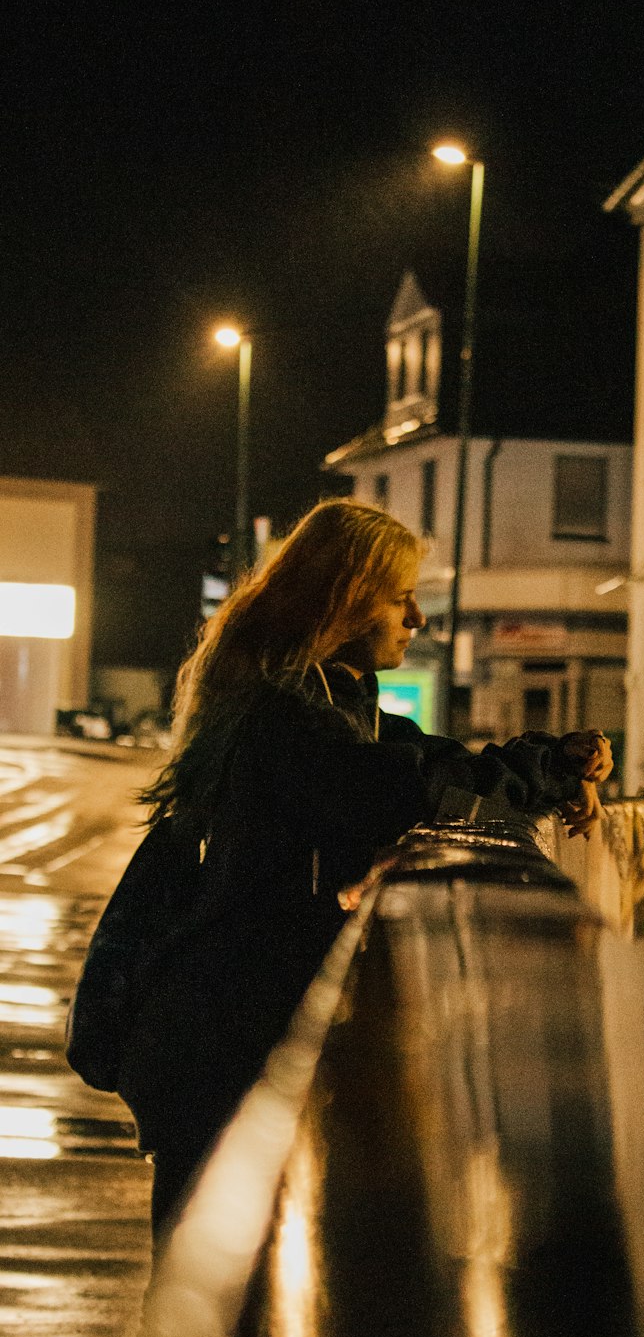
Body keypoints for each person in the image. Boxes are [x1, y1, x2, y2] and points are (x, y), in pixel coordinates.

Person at [117, 497, 612, 1240]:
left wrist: (553, 763)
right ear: (345, 600)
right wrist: (534, 776)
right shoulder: (283, 716)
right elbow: (402, 786)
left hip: (231, 1033)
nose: (417, 618)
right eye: (399, 597)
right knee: (220, 1287)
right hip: (229, 1042)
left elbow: (433, 760)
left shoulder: (328, 701)